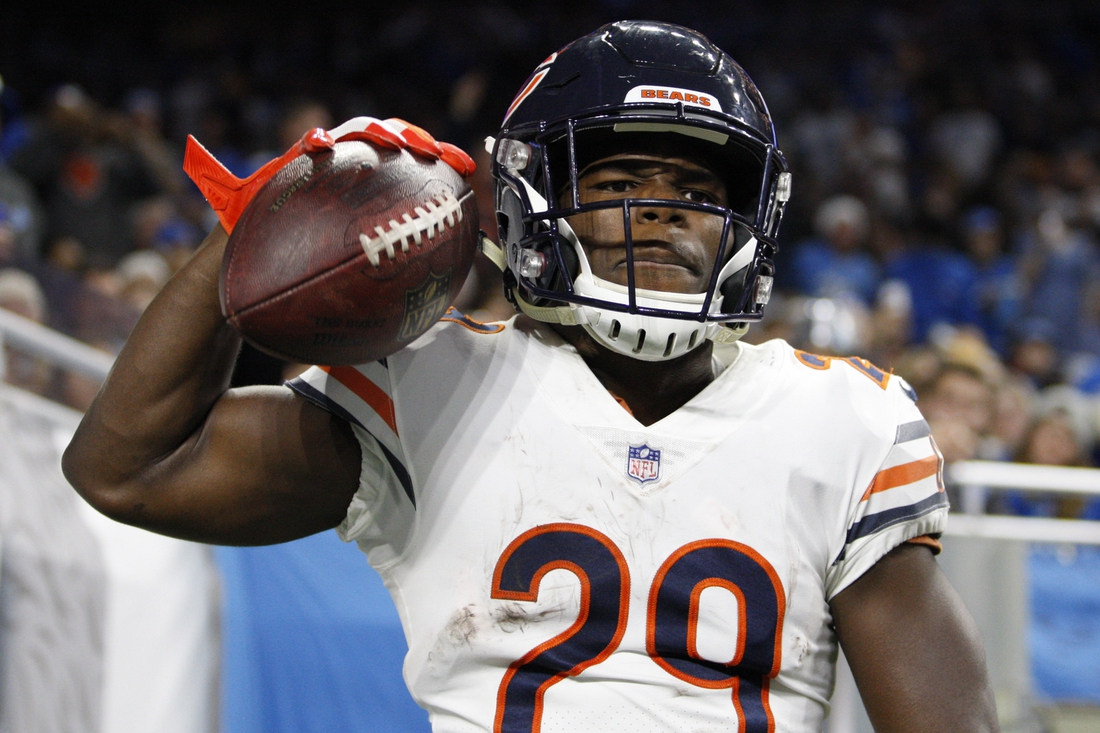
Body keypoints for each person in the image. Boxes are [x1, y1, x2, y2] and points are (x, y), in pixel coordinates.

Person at [63, 21, 998, 732]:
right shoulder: (430, 383)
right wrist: (257, 223)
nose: (664, 214)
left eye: (699, 193)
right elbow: (128, 468)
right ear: (532, 200)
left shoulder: (844, 420)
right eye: (623, 181)